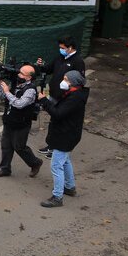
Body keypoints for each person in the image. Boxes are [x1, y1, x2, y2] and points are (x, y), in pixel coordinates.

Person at [37, 70, 89, 208]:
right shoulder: (76, 95)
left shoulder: (74, 98)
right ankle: (69, 187)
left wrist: (44, 101)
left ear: (73, 83)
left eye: (66, 79)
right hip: (69, 134)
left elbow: (58, 113)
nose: (63, 81)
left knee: (56, 165)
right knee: (65, 161)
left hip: (64, 136)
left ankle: (57, 197)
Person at [36, 36, 85, 157]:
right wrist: (41, 65)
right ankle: (51, 146)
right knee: (54, 122)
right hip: (54, 94)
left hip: (65, 98)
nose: (60, 50)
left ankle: (56, 149)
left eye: (62, 48)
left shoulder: (78, 62)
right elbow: (48, 69)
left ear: (70, 48)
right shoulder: (60, 57)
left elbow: (80, 81)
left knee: (60, 122)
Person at [0, 65, 44, 178]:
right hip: (9, 120)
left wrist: (7, 92)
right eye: (19, 72)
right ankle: (5, 169)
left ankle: (35, 163)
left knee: (19, 147)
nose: (18, 75)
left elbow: (19, 104)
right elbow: (2, 95)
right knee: (6, 146)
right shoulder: (15, 83)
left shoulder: (30, 90)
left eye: (21, 74)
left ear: (29, 77)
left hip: (22, 123)